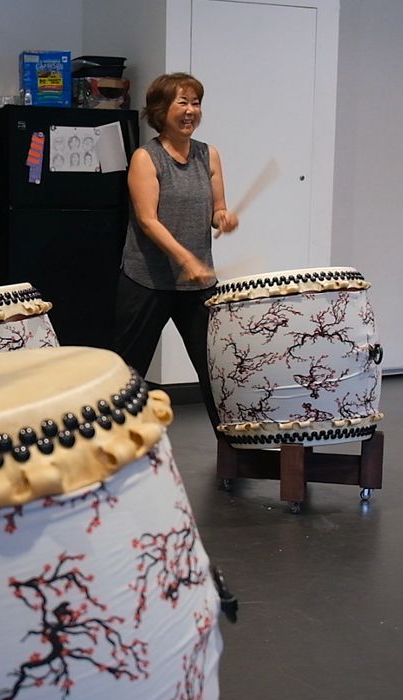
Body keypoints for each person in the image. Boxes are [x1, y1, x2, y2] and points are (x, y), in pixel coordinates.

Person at [112, 72, 238, 435]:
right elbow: (148, 221)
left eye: (195, 103)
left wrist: (223, 218)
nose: (190, 111)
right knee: (127, 372)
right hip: (146, 280)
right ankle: (115, 444)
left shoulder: (208, 154)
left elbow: (217, 209)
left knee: (215, 368)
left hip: (198, 283)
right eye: (182, 102)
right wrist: (185, 259)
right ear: (160, 110)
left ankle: (235, 450)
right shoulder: (145, 158)